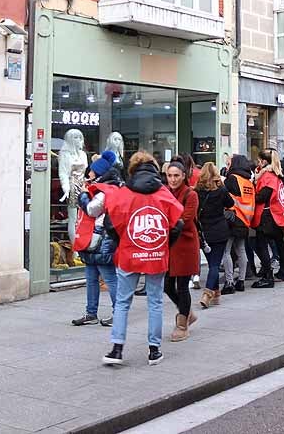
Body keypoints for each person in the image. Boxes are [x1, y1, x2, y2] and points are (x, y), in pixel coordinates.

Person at [85, 150, 184, 366]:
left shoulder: (125, 193)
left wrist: (122, 240)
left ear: (132, 169)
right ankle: (154, 351)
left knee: (122, 302)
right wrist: (165, 244)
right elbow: (178, 223)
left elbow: (110, 222)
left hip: (130, 253)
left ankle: (117, 349)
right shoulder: (163, 193)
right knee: (155, 301)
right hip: (156, 254)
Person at [72, 151, 122, 327]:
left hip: (101, 240)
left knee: (109, 278)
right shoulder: (103, 187)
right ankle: (91, 313)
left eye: (92, 171)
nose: (89, 174)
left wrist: (83, 195)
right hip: (93, 239)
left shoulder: (106, 190)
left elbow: (93, 210)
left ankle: (119, 313)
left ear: (99, 172)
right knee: (92, 278)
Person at [164, 160, 200, 341]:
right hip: (170, 243)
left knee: (182, 285)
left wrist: (167, 223)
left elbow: (186, 218)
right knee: (167, 286)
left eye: (176, 175)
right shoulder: (165, 192)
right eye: (169, 175)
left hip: (185, 243)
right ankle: (187, 313)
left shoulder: (190, 194)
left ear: (184, 176)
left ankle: (182, 323)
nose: (172, 179)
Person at [252, 150, 284, 288]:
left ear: (264, 162)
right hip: (276, 216)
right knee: (280, 243)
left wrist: (251, 193)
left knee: (262, 245)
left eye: (259, 161)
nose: (258, 164)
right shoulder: (277, 175)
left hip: (267, 217)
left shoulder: (268, 177)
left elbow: (262, 197)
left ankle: (268, 276)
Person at [194, 162, 234, 309]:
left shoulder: (197, 191)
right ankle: (208, 293)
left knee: (212, 263)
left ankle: (216, 293)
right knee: (215, 264)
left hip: (204, 232)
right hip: (220, 230)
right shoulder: (221, 190)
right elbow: (231, 203)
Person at [222, 154, 255, 293]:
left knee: (226, 251)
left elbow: (224, 197)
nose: (227, 166)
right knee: (241, 251)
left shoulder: (232, 179)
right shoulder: (248, 182)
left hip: (232, 219)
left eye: (229, 163)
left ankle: (229, 282)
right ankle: (241, 281)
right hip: (244, 221)